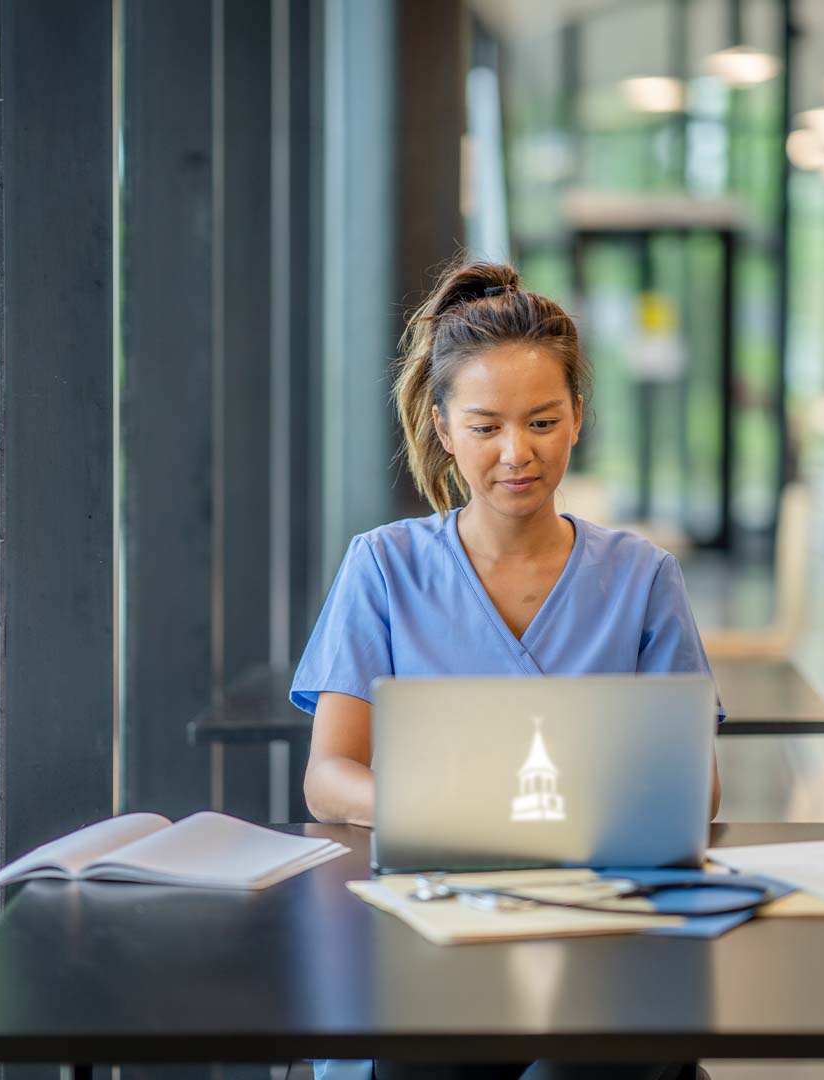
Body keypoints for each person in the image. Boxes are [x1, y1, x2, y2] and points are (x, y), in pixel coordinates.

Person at [290, 260, 721, 1080]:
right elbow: (329, 778)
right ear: (444, 429)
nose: (516, 453)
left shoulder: (643, 577)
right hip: (429, 924)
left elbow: (693, 794)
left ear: (578, 421)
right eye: (486, 427)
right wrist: (464, 817)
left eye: (542, 422)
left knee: (598, 1057)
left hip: (597, 925)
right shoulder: (382, 567)